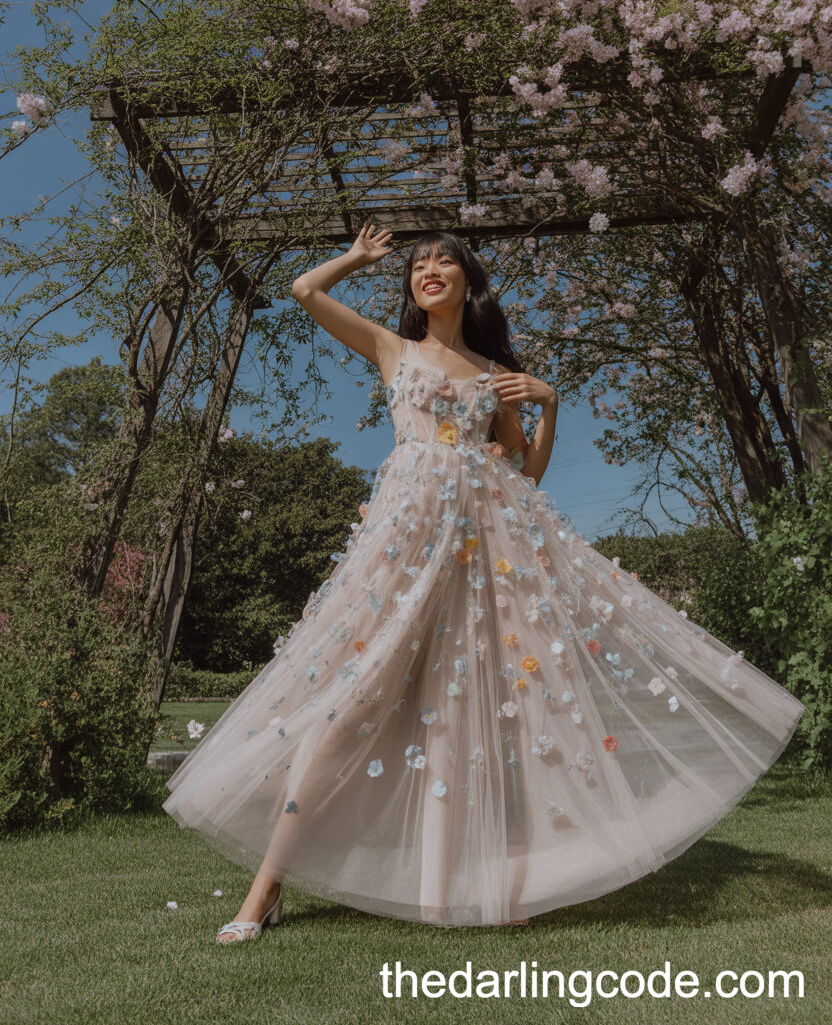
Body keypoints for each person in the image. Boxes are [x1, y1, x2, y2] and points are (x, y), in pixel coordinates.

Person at [162, 225, 805, 941]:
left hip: (477, 557)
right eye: (418, 264)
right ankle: (265, 890)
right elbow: (304, 290)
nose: (429, 270)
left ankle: (487, 875)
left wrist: (547, 404)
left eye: (444, 261)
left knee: (485, 711)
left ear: (469, 282)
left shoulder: (494, 372)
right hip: (400, 555)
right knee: (342, 712)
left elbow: (523, 474)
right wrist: (356, 257)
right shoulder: (392, 348)